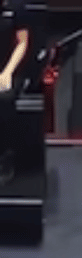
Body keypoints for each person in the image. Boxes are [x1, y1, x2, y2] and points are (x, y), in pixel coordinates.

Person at [0, 0, 29, 184]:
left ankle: (5, 156)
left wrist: (7, 72)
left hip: (10, 70)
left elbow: (22, 42)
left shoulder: (16, 9)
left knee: (4, 99)